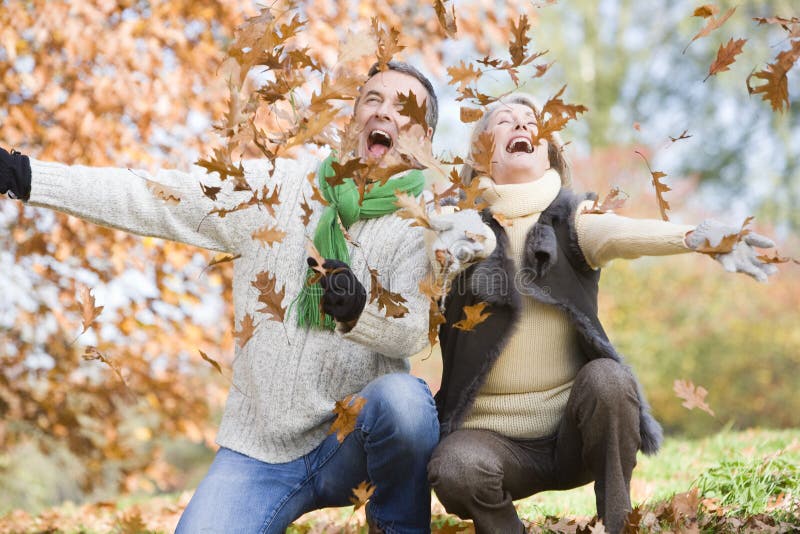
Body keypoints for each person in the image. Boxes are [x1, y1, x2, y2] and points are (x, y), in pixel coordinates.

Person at [0, 61, 494, 533]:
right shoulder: (275, 189)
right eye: (372, 99)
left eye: (403, 108)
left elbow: (409, 333)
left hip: (351, 444)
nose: (384, 112)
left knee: (405, 402)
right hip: (258, 449)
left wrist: (358, 312)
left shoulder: (424, 225)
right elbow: (157, 196)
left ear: (423, 138)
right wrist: (29, 177)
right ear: (353, 120)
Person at [426, 94, 778, 534]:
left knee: (609, 379)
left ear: (549, 151)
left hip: (573, 433)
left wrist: (695, 237)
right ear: (480, 157)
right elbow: (407, 295)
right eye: (504, 121)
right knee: (454, 465)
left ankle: (617, 522)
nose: (520, 126)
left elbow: (625, 233)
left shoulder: (572, 221)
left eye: (530, 122)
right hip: (492, 447)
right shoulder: (455, 231)